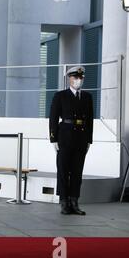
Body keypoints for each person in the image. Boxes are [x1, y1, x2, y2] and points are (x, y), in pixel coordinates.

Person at [49, 66, 93, 215]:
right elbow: (53, 118)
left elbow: (90, 121)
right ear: (69, 79)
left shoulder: (87, 97)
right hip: (65, 137)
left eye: (80, 78)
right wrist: (53, 138)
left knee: (77, 171)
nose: (78, 81)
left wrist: (89, 140)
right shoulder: (60, 96)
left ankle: (74, 201)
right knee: (63, 170)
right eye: (75, 78)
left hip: (81, 138)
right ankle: (64, 202)